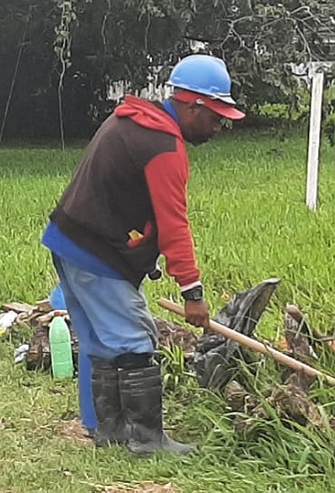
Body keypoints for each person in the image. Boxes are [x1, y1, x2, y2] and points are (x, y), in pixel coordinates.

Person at [41, 54, 245, 457]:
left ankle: (109, 432)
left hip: (68, 240)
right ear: (193, 105)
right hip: (97, 252)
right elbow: (175, 225)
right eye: (216, 115)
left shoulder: (133, 121)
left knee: (102, 342)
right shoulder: (162, 145)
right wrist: (193, 292)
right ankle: (147, 441)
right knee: (134, 339)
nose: (220, 126)